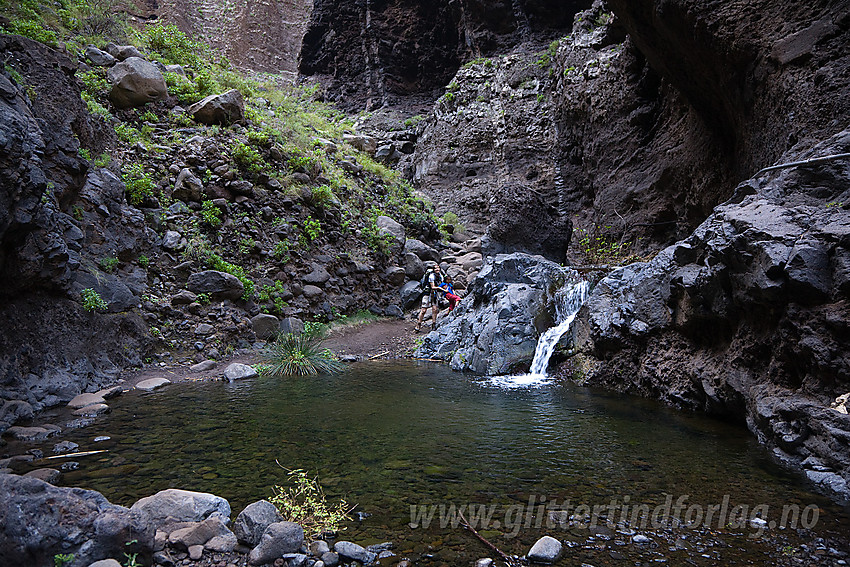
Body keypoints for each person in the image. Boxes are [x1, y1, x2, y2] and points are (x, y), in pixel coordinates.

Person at [415, 264, 442, 333]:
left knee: (435, 309)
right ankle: (418, 324)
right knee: (423, 310)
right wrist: (440, 288)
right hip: (427, 293)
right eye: (436, 268)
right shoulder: (431, 276)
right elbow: (432, 287)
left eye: (438, 268)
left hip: (435, 294)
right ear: (433, 269)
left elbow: (442, 283)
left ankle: (433, 324)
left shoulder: (440, 276)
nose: (437, 270)